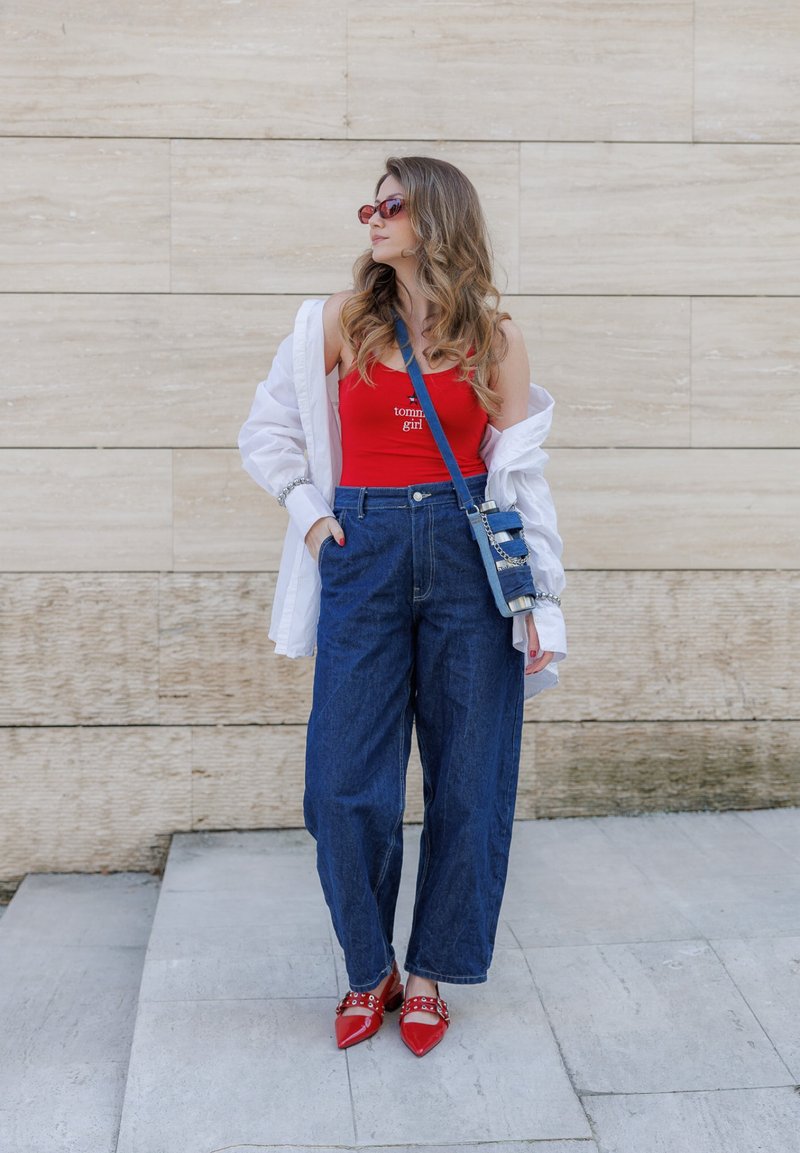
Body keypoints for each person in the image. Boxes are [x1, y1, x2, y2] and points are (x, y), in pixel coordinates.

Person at [238, 155, 566, 1057]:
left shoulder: (494, 338)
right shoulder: (337, 325)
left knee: (471, 776)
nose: (373, 220)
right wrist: (312, 521)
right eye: (369, 206)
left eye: (391, 205)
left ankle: (426, 975)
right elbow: (266, 432)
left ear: (437, 218)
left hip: (468, 559)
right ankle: (365, 965)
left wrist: (537, 602)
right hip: (364, 552)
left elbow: (520, 480)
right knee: (342, 782)